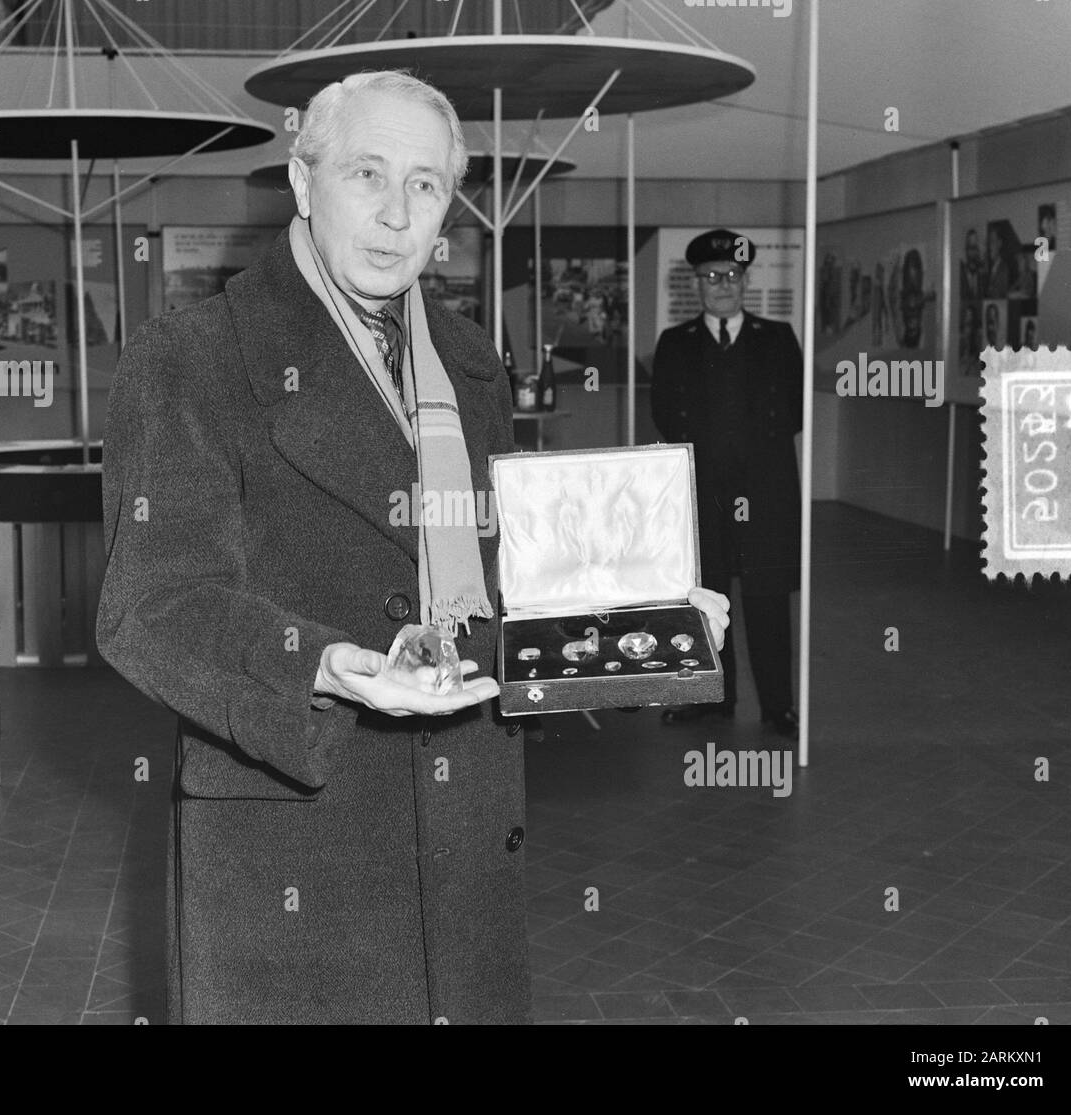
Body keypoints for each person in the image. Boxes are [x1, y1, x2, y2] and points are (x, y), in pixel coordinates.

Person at [96, 69, 729, 1025]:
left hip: (463, 812)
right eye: (367, 175)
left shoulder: (469, 361)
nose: (397, 214)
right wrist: (328, 665)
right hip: (298, 835)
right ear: (305, 186)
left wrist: (637, 608)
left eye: (426, 185)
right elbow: (151, 606)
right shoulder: (190, 358)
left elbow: (497, 563)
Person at [651, 229, 802, 740]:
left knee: (766, 603)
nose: (723, 285)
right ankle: (712, 699)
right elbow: (665, 417)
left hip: (765, 498)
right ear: (696, 283)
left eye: (732, 276)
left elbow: (795, 415)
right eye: (712, 276)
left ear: (745, 281)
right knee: (707, 601)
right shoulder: (675, 344)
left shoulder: (778, 338)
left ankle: (778, 706)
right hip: (703, 498)